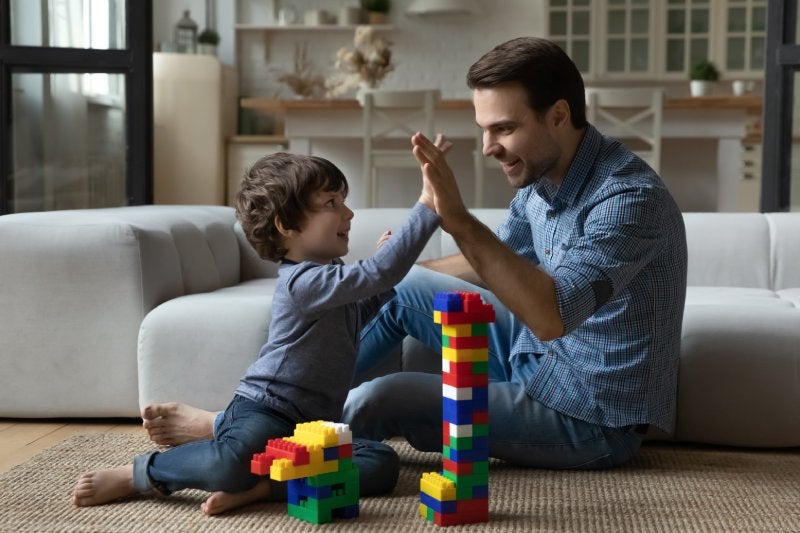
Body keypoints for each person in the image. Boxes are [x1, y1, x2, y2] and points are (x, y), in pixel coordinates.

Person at [140, 35, 688, 471]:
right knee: (396, 289)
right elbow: (488, 260)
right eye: (483, 128)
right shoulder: (544, 180)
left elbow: (550, 316)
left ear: (560, 115)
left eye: (504, 128)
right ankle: (260, 417)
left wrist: (452, 215)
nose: (489, 147)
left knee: (382, 399)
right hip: (536, 358)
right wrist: (397, 273)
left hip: (587, 413)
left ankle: (241, 439)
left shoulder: (628, 200)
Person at [72, 151, 441, 515]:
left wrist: (380, 272)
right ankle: (139, 473)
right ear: (286, 225)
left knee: (381, 462)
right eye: (332, 202)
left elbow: (358, 310)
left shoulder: (331, 276)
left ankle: (266, 487)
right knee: (229, 465)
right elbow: (379, 273)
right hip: (266, 410)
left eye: (344, 201)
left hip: (311, 425)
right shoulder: (303, 281)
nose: (348, 213)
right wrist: (427, 205)